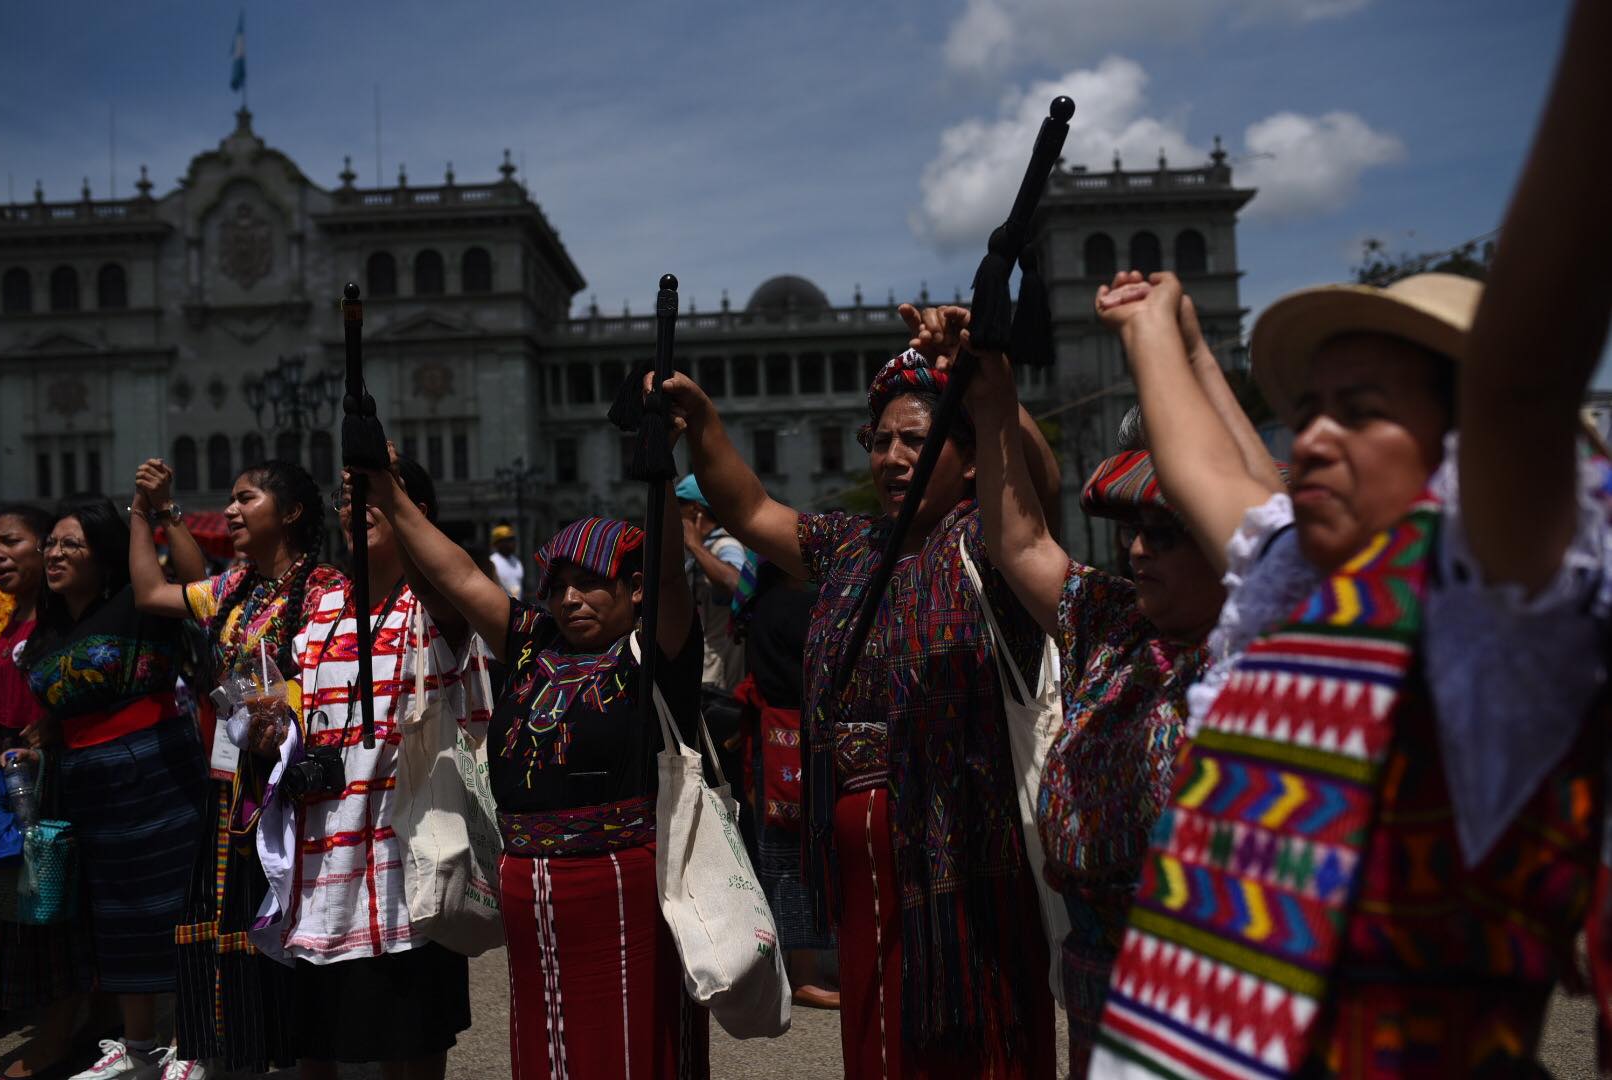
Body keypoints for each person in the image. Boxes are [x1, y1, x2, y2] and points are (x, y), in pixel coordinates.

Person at [1089, 5, 1612, 1072]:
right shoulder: (1303, 586)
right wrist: (1159, 326)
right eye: (1311, 405)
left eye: (1361, 408)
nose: (1314, 435)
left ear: (1464, 447)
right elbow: (1208, 473)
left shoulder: (1493, 602)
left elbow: (1521, 380)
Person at [658, 305, 1062, 1078]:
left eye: (917, 439)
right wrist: (703, 418)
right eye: (880, 441)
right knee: (879, 1046)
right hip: (858, 847)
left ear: (971, 459)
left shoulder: (991, 544)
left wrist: (985, 380)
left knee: (977, 1042)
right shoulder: (851, 545)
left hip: (969, 851)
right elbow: (746, 509)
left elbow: (1036, 484)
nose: (892, 456)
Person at [958, 297, 1263, 1074]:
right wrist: (992, 395)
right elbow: (1019, 538)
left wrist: (1184, 350)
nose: (1136, 550)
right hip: (1099, 982)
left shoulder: (1264, 654)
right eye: (1131, 531)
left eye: (1165, 533)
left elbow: (1268, 518)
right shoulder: (1109, 622)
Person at [363, 445, 708, 1080]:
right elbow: (460, 578)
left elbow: (666, 576)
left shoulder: (654, 653)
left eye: (591, 582)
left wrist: (656, 464)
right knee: (546, 1047)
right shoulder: (530, 643)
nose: (571, 598)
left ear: (633, 591)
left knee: (628, 1046)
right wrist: (387, 491)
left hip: (622, 886)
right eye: (559, 585)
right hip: (530, 884)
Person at [242, 459, 474, 1080]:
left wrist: (387, 488)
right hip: (325, 869)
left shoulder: (436, 603)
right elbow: (298, 718)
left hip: (413, 869)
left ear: (416, 515)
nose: (359, 508)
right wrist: (272, 731)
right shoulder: (320, 610)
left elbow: (452, 589)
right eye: (349, 500)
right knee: (318, 1048)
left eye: (377, 498)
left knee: (411, 1043)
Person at [127, 459, 344, 1076]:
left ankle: (307, 1060)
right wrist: (147, 512)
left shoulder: (330, 590)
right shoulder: (235, 588)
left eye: (245, 498)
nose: (230, 509)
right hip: (231, 785)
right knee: (229, 922)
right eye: (229, 499)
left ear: (292, 512)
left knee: (293, 923)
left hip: (292, 791)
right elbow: (152, 591)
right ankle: (242, 1051)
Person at [18, 499, 206, 1080]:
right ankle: (139, 1046)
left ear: (104, 556)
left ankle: (192, 1044)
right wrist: (46, 739)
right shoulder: (45, 633)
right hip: (87, 780)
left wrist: (162, 514)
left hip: (156, 767)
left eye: (71, 544)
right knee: (117, 914)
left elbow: (200, 583)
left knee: (174, 903)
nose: (55, 553)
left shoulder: (138, 603)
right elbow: (70, 704)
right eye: (51, 543)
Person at [0, 506, 95, 1080]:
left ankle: (59, 1035)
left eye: (12, 543)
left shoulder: (57, 627)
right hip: (6, 786)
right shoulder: (6, 621)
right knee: (21, 909)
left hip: (46, 783)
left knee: (51, 910)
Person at [731, 558, 838, 1010]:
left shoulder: (763, 608)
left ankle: (794, 965)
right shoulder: (800, 607)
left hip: (772, 742)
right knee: (800, 857)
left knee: (781, 855)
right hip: (796, 742)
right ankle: (805, 975)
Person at [676, 474, 748, 689]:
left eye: (680, 505)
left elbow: (736, 583)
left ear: (695, 509)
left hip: (720, 674)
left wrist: (696, 546)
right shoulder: (702, 550)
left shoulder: (726, 545)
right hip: (702, 668)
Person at [488, 525, 524, 599]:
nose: (513, 543)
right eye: (508, 540)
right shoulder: (492, 562)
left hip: (518, 607)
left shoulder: (517, 561)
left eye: (513, 539)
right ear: (498, 543)